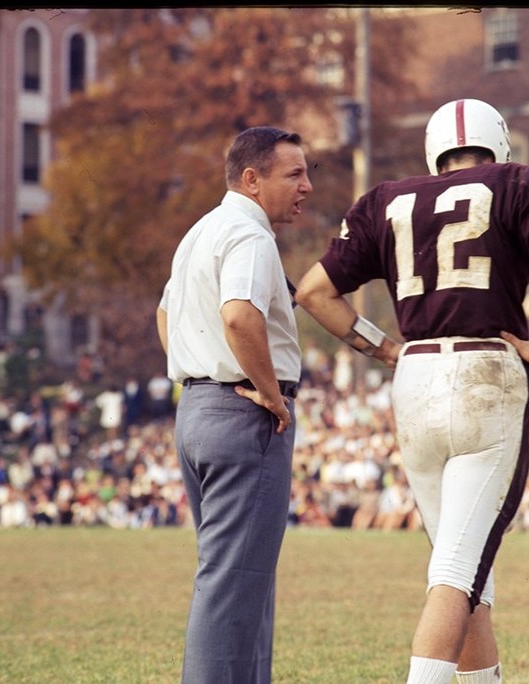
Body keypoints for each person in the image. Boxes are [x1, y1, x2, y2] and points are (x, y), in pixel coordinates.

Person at [296, 98, 529, 684]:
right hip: (487, 373)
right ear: (499, 144)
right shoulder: (517, 184)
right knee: (458, 570)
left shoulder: (385, 200)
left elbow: (312, 292)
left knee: (467, 574)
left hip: (415, 380)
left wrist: (382, 348)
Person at [156, 125, 313, 684]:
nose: (307, 186)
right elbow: (240, 315)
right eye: (293, 173)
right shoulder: (250, 235)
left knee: (242, 580)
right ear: (252, 180)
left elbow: (165, 315)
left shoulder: (200, 231)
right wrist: (269, 393)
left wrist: (199, 372)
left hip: (198, 410)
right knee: (231, 583)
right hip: (243, 415)